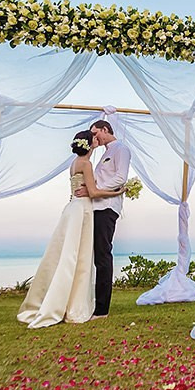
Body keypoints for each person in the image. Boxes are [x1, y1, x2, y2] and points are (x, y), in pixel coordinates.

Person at [17, 130, 123, 328]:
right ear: (90, 144)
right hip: (82, 210)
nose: (97, 139)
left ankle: (61, 299)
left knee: (66, 254)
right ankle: (71, 304)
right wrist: (117, 192)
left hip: (72, 208)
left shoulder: (74, 163)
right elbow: (93, 192)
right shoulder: (86, 164)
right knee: (78, 257)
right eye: (94, 138)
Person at [75, 119, 130, 318]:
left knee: (103, 256)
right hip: (94, 207)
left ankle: (102, 309)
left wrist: (94, 190)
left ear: (105, 130)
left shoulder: (121, 149)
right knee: (93, 255)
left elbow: (120, 178)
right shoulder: (103, 155)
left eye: (95, 133)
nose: (94, 137)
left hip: (106, 207)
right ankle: (88, 302)